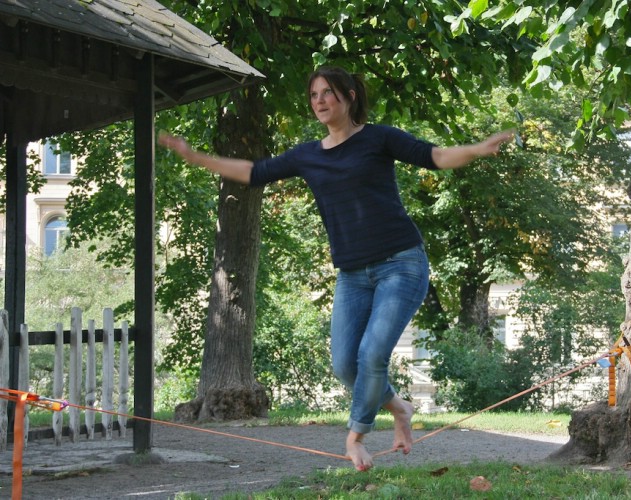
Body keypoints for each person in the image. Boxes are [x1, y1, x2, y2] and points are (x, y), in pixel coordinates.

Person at [158, 66, 515, 471]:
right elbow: (252, 173)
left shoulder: (379, 138)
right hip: (353, 275)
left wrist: (477, 148)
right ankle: (399, 407)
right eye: (313, 95)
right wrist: (193, 156)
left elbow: (433, 156)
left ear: (348, 96)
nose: (320, 101)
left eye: (327, 93)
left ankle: (357, 436)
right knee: (346, 365)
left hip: (401, 263)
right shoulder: (307, 155)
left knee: (372, 353)